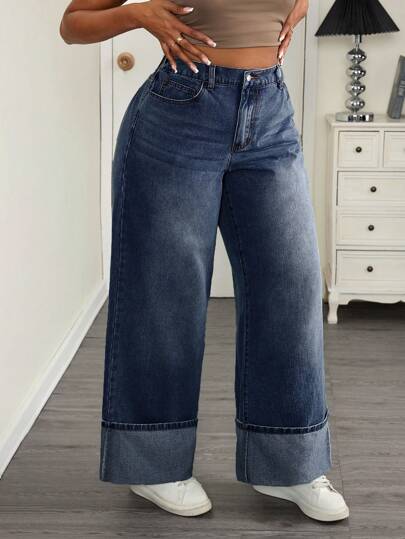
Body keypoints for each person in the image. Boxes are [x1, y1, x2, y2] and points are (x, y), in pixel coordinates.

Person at [60, 0, 349, 522]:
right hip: (179, 114)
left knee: (291, 285)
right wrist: (141, 15)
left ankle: (286, 461)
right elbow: (73, 24)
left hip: (269, 112)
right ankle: (154, 464)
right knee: (165, 294)